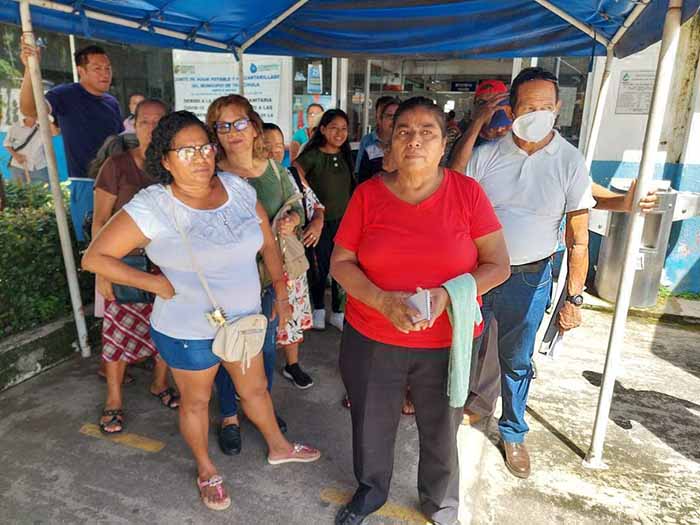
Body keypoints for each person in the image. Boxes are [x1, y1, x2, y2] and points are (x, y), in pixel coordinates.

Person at [82, 110, 320, 511]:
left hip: (244, 320)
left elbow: (266, 242)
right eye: (187, 150)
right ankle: (206, 468)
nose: (202, 156)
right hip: (187, 329)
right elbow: (96, 257)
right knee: (196, 402)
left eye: (206, 146)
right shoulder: (154, 205)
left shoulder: (237, 189)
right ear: (166, 159)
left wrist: (280, 290)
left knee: (255, 389)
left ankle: (278, 446)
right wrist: (155, 283)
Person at [330, 96, 510, 525]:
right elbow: (340, 263)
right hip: (373, 334)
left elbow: (498, 264)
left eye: (427, 131)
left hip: (447, 340)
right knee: (371, 423)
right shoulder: (368, 195)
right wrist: (383, 301)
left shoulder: (467, 193)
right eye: (404, 132)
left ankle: (441, 502)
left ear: (444, 140)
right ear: (389, 143)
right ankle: (370, 492)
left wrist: (451, 294)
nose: (414, 140)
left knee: (441, 428)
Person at [465, 67, 598, 480]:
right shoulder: (486, 156)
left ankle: (513, 431)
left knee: (516, 360)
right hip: (478, 273)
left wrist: (574, 298)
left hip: (529, 278)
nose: (538, 113)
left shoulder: (570, 161)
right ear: (513, 108)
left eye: (546, 106)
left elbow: (578, 239)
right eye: (529, 106)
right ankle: (458, 407)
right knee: (461, 348)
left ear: (558, 108)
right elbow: (455, 200)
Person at [204, 96, 304, 456]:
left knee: (263, 350)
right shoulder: (210, 174)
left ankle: (261, 407)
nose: (232, 132)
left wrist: (293, 218)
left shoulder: (275, 170)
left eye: (239, 123)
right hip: (224, 284)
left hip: (268, 279)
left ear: (255, 126)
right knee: (228, 351)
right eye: (223, 125)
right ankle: (229, 415)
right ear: (214, 133)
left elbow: (296, 204)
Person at [90, 99, 177, 433]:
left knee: (166, 329)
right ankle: (113, 399)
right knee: (116, 334)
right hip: (124, 264)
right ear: (134, 125)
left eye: (159, 122)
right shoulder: (117, 166)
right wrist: (102, 272)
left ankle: (159, 383)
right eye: (145, 122)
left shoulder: (172, 166)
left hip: (168, 266)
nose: (152, 128)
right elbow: (99, 223)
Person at [20, 41, 124, 242]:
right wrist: (29, 69)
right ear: (81, 71)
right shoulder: (65, 94)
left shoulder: (112, 102)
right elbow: (30, 109)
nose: (105, 74)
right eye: (97, 69)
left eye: (107, 69)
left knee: (121, 244)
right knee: (93, 245)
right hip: (86, 184)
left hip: (117, 183)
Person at [263, 122, 326, 388]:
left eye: (279, 145)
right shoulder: (245, 178)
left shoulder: (290, 173)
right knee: (264, 320)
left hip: (291, 260)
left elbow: (315, 204)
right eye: (267, 145)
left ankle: (292, 364)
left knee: (293, 313)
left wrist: (317, 222)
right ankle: (255, 373)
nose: (274, 151)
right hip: (261, 265)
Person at [293, 109, 354, 332]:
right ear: (323, 130)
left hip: (344, 222)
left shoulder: (347, 155)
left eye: (344, 129)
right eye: (334, 128)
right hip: (318, 223)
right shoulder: (312, 156)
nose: (339, 133)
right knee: (318, 267)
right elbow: (294, 173)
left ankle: (338, 312)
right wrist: (311, 200)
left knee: (342, 266)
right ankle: (318, 308)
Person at [355, 97, 399, 184]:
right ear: (380, 119)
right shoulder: (369, 146)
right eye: (390, 116)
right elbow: (361, 178)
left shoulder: (410, 145)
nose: (394, 120)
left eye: (398, 116)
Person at [3, 114, 50, 184]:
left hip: (39, 166)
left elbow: (55, 132)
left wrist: (49, 120)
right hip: (18, 167)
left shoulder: (43, 127)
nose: (34, 116)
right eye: (32, 113)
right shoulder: (15, 127)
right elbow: (7, 144)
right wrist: (16, 156)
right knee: (20, 192)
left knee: (42, 192)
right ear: (26, 113)